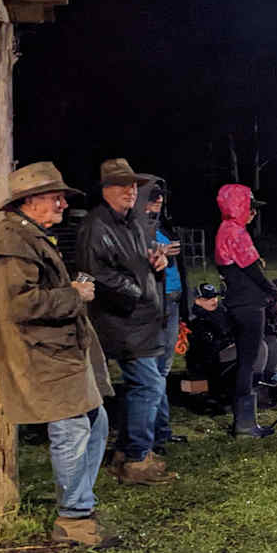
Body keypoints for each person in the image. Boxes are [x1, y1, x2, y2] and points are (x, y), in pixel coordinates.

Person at [0, 162, 115, 547]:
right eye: (55, 196)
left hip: (62, 352)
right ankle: (73, 517)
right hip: (44, 356)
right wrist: (75, 294)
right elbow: (19, 305)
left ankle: (80, 506)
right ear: (29, 201)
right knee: (72, 432)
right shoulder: (11, 241)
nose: (62, 203)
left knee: (96, 422)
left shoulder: (31, 236)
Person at [76, 159, 176, 486]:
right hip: (122, 320)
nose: (131, 191)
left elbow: (142, 259)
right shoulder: (96, 226)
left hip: (142, 319)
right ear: (105, 189)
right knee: (148, 385)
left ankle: (127, 453)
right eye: (122, 185)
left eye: (134, 185)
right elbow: (98, 274)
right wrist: (137, 292)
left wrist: (157, 262)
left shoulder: (132, 222)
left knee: (142, 387)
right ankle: (136, 459)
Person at [214, 184, 277, 438]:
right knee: (248, 362)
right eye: (250, 207)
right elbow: (253, 270)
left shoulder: (222, 230)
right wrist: (272, 291)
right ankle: (245, 423)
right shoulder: (236, 232)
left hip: (236, 302)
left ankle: (244, 421)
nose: (253, 213)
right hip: (249, 304)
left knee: (245, 360)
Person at [135, 177, 188, 453]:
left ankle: (162, 430)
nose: (159, 200)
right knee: (155, 371)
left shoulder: (160, 225)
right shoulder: (135, 227)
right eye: (153, 195)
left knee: (163, 370)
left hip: (172, 300)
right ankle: (152, 435)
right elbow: (131, 262)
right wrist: (158, 252)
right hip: (155, 304)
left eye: (161, 195)